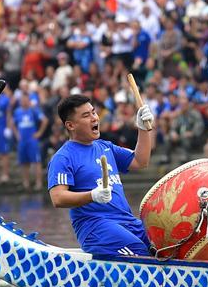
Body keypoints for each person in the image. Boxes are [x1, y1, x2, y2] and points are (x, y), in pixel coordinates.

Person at [47, 94, 155, 257]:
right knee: (138, 250)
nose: (94, 118)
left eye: (93, 112)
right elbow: (58, 198)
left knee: (165, 243)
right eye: (86, 115)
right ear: (70, 125)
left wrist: (143, 129)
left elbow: (140, 161)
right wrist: (92, 195)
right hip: (95, 228)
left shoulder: (105, 146)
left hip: (127, 222)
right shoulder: (63, 157)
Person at [13, 93, 48, 191]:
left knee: (36, 161)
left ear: (28, 100)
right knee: (24, 162)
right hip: (22, 141)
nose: (23, 102)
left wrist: (39, 133)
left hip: (32, 140)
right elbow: (12, 123)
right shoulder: (17, 112)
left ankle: (38, 183)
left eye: (25, 100)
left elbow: (45, 120)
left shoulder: (33, 110)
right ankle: (26, 183)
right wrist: (16, 134)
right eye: (22, 100)